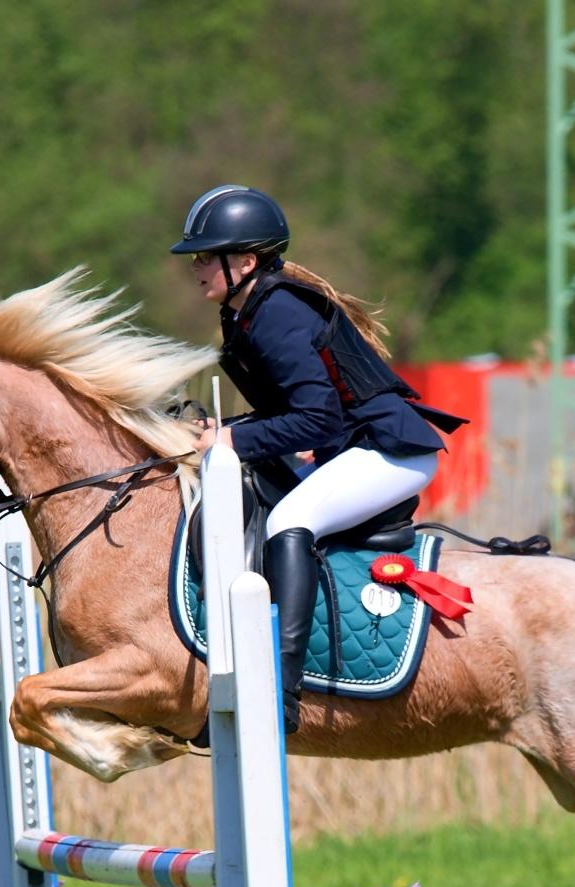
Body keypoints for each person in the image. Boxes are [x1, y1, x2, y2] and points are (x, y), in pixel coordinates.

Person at [172, 184, 464, 734]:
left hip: (389, 451)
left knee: (288, 521)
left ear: (246, 262)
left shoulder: (276, 312)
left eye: (208, 256)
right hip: (352, 444)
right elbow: (292, 412)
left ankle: (280, 691)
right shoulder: (246, 312)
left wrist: (229, 441)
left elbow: (318, 421)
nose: (197, 266)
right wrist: (221, 432)